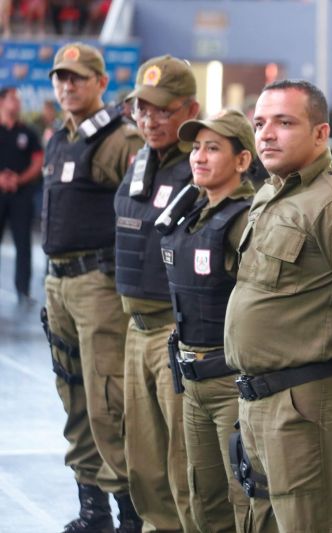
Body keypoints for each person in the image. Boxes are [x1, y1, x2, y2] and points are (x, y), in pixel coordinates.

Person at [224, 79, 332, 532]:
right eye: (261, 123)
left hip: (306, 406)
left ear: (321, 134)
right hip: (259, 402)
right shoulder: (271, 193)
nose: (267, 134)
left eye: (284, 123)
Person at [42, 42, 143, 533]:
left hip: (98, 285)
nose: (67, 86)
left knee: (108, 402)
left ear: (101, 83)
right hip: (58, 284)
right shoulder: (58, 137)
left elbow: (146, 211)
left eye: (78, 78)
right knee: (74, 397)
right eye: (61, 77)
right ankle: (93, 509)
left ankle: (131, 513)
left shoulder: (120, 139)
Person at [114, 55, 200, 533]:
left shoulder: (205, 162)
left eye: (163, 110)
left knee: (184, 462)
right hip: (136, 328)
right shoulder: (141, 158)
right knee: (143, 462)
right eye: (142, 109)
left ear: (191, 109)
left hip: (177, 330)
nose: (150, 119)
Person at [160, 109, 256, 532]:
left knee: (245, 499)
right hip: (192, 377)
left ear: (242, 160)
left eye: (213, 148)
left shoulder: (246, 220)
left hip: (230, 382)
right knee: (205, 499)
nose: (199, 157)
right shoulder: (194, 211)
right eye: (196, 147)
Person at [0, 86, 43, 305]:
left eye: (18, 100)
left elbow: (38, 161)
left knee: (23, 243)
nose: (17, 103)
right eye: (12, 99)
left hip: (21, 195)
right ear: (2, 102)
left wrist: (19, 179)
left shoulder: (28, 132)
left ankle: (23, 289)